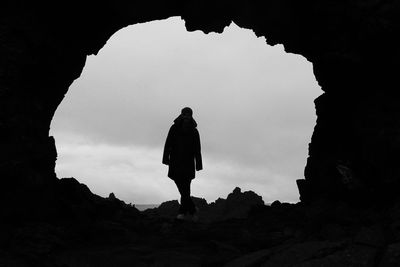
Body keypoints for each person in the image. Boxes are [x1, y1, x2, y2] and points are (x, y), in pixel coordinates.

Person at [162, 107, 203, 220]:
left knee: (186, 186)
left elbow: (197, 149)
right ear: (181, 115)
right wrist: (165, 158)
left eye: (188, 115)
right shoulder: (174, 128)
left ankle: (182, 212)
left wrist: (199, 164)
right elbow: (168, 143)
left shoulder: (194, 131)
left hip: (188, 162)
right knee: (180, 185)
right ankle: (192, 208)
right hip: (175, 161)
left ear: (191, 116)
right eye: (184, 115)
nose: (186, 117)